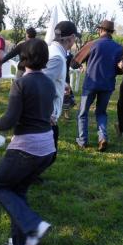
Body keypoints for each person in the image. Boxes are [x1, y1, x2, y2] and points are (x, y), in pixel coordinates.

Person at [0, 38, 55, 245]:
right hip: (47, 149)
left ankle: (33, 225)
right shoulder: (49, 83)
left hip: (27, 149)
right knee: (17, 194)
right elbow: (47, 115)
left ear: (24, 57)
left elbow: (8, 122)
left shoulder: (21, 83)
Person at [74, 20, 123, 152]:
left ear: (100, 30)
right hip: (107, 84)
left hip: (90, 84)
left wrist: (80, 64)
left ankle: (82, 141)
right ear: (111, 32)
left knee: (83, 113)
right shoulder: (119, 48)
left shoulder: (92, 44)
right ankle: (102, 138)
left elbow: (74, 63)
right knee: (101, 112)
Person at [43, 21, 80, 164]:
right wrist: (47, 113)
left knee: (47, 153)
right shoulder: (57, 57)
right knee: (48, 154)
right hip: (47, 114)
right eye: (75, 38)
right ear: (71, 37)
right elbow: (39, 84)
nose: (74, 41)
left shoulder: (53, 51)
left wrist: (61, 83)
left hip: (45, 112)